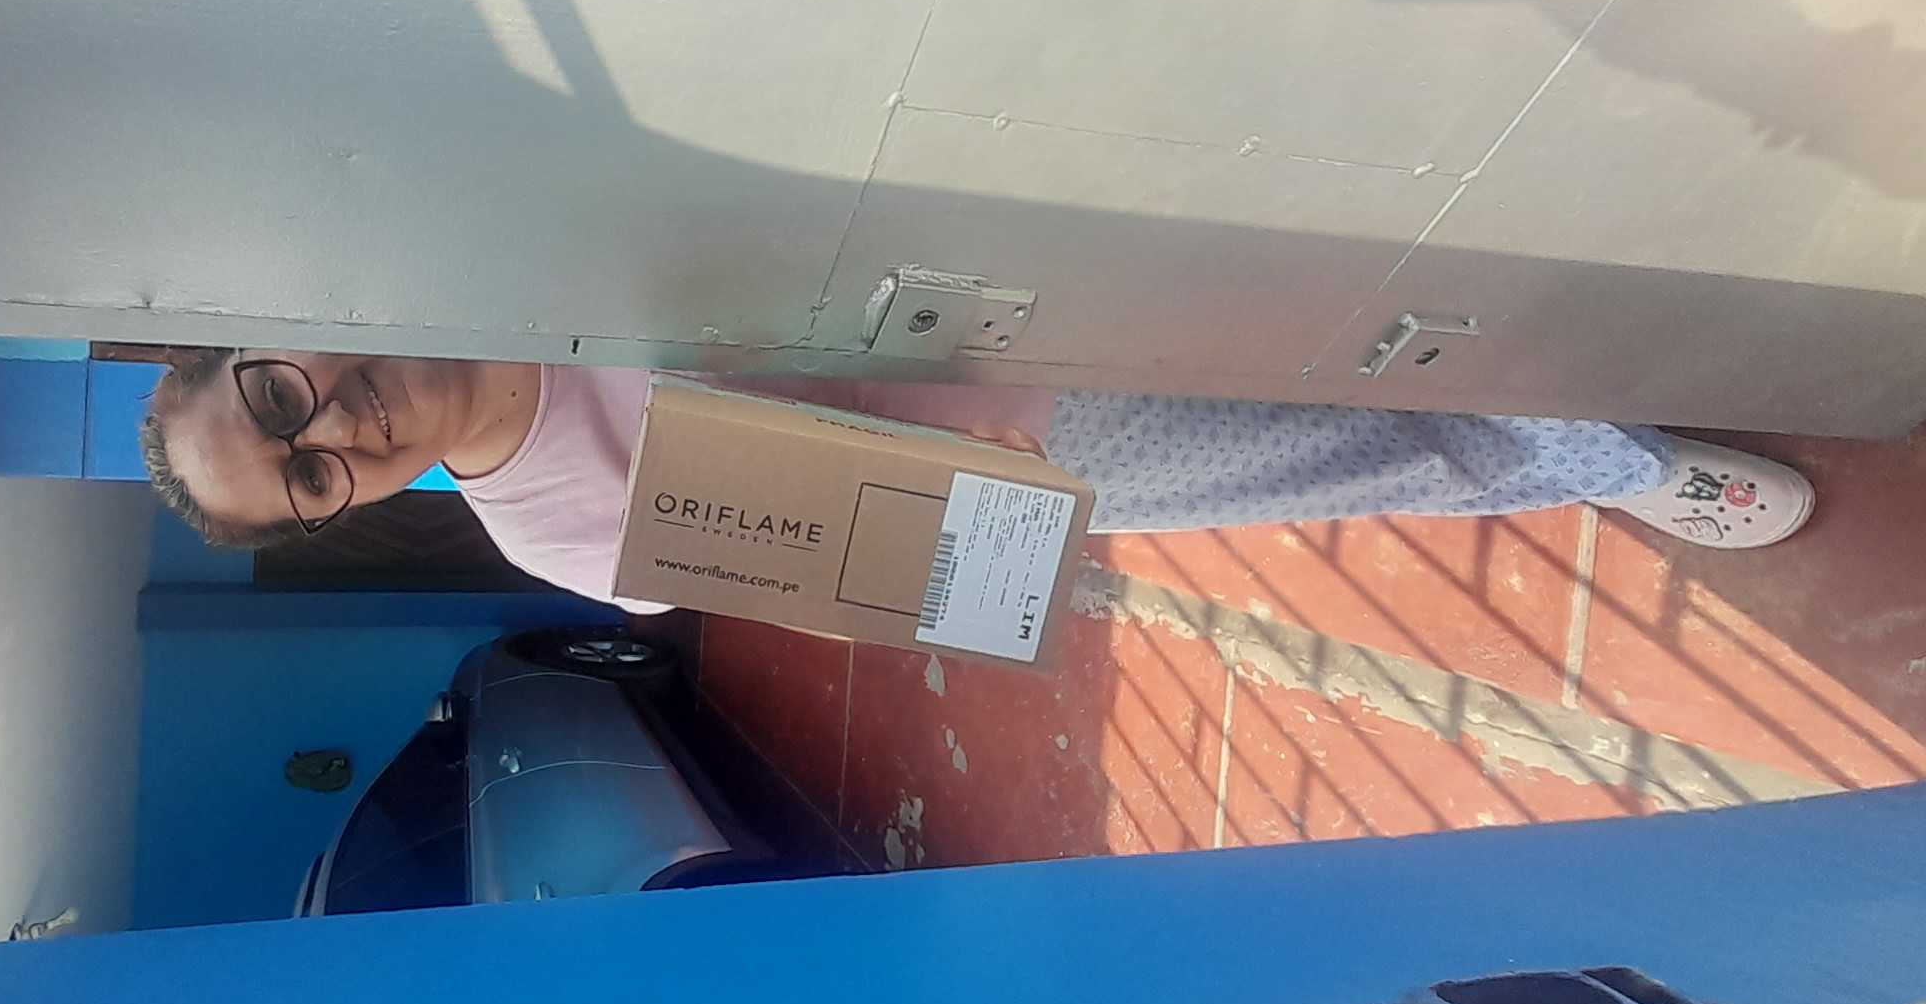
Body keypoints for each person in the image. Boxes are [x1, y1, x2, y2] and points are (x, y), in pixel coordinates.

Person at [139, 350, 1813, 610]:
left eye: (272, 391)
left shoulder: (499, 231)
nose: (327, 424)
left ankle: (1586, 352)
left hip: (1016, 264)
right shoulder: (550, 532)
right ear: (344, 509)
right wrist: (974, 524)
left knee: (1348, 306)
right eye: (304, 477)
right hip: (1038, 444)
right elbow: (834, 561)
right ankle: (1608, 462)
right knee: (1343, 449)